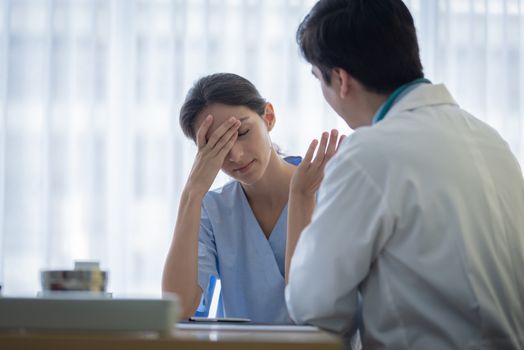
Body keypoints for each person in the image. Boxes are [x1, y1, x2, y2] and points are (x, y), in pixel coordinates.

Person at [285, 0, 524, 349]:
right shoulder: (490, 141)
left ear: (341, 79)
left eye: (318, 79)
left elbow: (315, 307)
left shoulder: (368, 155)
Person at [162, 72, 341, 323]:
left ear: (268, 117)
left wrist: (303, 198)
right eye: (218, 145)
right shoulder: (213, 210)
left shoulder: (328, 189)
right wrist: (192, 192)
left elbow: (314, 310)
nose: (235, 155)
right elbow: (178, 309)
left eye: (243, 132)